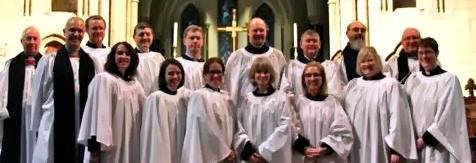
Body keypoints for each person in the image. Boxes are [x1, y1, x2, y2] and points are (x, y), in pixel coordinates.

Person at [31, 17, 98, 163]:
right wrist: (36, 127)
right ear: (64, 32)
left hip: (82, 120)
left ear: (84, 33)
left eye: (80, 31)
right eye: (72, 30)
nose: (76, 34)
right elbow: (37, 95)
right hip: (54, 121)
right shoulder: (50, 60)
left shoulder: (91, 62)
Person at [341, 46, 417, 163]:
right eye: (363, 61)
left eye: (370, 60)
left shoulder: (391, 85)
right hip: (357, 146)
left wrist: (395, 150)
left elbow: (398, 118)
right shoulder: (352, 86)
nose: (367, 64)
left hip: (381, 145)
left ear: (378, 61)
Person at [404, 38, 471, 163]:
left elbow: (449, 115)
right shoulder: (412, 80)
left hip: (438, 145)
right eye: (421, 53)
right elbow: (405, 109)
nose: (424, 56)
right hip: (415, 145)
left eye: (428, 52)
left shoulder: (449, 80)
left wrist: (426, 139)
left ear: (436, 53)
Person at [77, 41, 144, 163]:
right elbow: (96, 118)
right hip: (108, 150)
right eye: (120, 53)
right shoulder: (103, 80)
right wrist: (94, 151)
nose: (124, 56)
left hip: (131, 147)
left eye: (127, 54)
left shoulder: (136, 86)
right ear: (112, 57)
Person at [181, 58, 241, 163]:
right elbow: (204, 129)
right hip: (208, 156)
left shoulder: (227, 98)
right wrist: (224, 153)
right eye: (212, 72)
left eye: (219, 72)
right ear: (204, 75)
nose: (216, 75)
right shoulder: (199, 96)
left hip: (228, 155)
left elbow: (234, 128)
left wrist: (232, 149)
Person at [292, 61, 353, 163]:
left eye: (316, 75)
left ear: (323, 79)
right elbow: (291, 130)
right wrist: (303, 147)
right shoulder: (297, 103)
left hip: (327, 158)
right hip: (304, 157)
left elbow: (344, 132)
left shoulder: (332, 103)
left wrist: (327, 148)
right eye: (308, 75)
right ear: (303, 80)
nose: (312, 78)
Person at [235, 57, 293, 163]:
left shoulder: (280, 98)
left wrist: (264, 152)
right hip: (252, 158)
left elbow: (285, 127)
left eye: (266, 72)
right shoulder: (247, 100)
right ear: (253, 75)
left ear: (271, 75)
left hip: (273, 157)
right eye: (259, 72)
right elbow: (240, 127)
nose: (262, 76)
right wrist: (249, 152)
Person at [0, 26, 42, 163]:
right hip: (16, 118)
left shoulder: (47, 64)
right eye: (28, 38)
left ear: (39, 41)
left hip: (39, 118)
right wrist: (3, 112)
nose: (32, 42)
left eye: (35, 38)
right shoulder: (11, 64)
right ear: (21, 41)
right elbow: (1, 88)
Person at [225, 17, 287, 106]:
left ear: (266, 32)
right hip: (244, 111)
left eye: (262, 30)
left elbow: (284, 85)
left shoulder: (277, 56)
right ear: (248, 32)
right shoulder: (236, 57)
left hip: (272, 109)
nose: (258, 33)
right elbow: (228, 86)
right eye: (255, 30)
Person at [140, 59, 191, 163]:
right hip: (162, 152)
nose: (175, 77)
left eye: (178, 73)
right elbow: (153, 136)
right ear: (163, 76)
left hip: (180, 149)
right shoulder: (156, 98)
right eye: (171, 73)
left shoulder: (183, 98)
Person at [281, 29, 343, 97]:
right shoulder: (291, 66)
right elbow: (285, 91)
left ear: (319, 45)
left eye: (315, 41)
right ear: (301, 44)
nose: (311, 43)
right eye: (308, 41)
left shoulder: (330, 66)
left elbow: (334, 90)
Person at [133, 22, 166, 95]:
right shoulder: (130, 58)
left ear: (152, 36)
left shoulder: (159, 57)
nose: (145, 38)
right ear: (134, 37)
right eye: (141, 35)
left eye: (148, 34)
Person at [176, 25, 205, 90]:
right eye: (192, 38)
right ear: (184, 41)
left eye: (198, 38)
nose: (195, 41)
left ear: (202, 41)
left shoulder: (206, 66)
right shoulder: (177, 64)